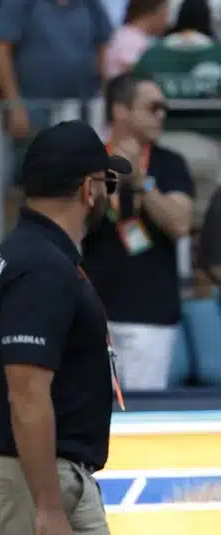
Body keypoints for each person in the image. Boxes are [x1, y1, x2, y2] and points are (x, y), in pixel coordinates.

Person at [0, 120, 131, 535]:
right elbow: (27, 392)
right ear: (88, 188)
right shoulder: (42, 266)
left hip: (44, 475)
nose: (107, 194)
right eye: (106, 182)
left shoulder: (31, 251)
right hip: (37, 480)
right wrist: (48, 507)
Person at [83, 73, 194, 391]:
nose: (161, 115)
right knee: (88, 407)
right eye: (152, 107)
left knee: (142, 409)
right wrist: (108, 183)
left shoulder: (170, 163)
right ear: (121, 111)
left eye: (163, 108)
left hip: (149, 315)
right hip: (92, 313)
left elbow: (180, 225)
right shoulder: (89, 161)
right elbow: (77, 222)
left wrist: (142, 182)